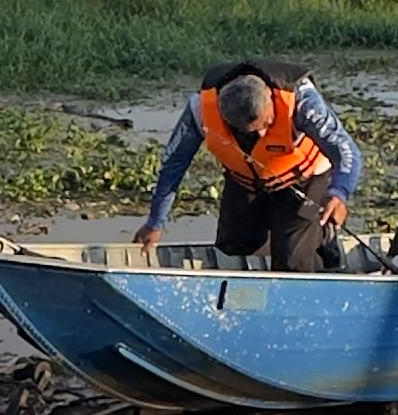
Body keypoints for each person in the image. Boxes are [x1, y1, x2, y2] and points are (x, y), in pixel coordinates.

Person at [134, 63, 362, 268]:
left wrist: (339, 192)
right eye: (251, 132)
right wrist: (155, 222)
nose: (263, 134)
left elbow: (346, 150)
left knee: (293, 260)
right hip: (248, 180)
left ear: (271, 99)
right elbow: (174, 163)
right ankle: (295, 236)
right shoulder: (200, 109)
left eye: (268, 123)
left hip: (305, 181)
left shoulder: (303, 102)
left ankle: (320, 236)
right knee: (234, 247)